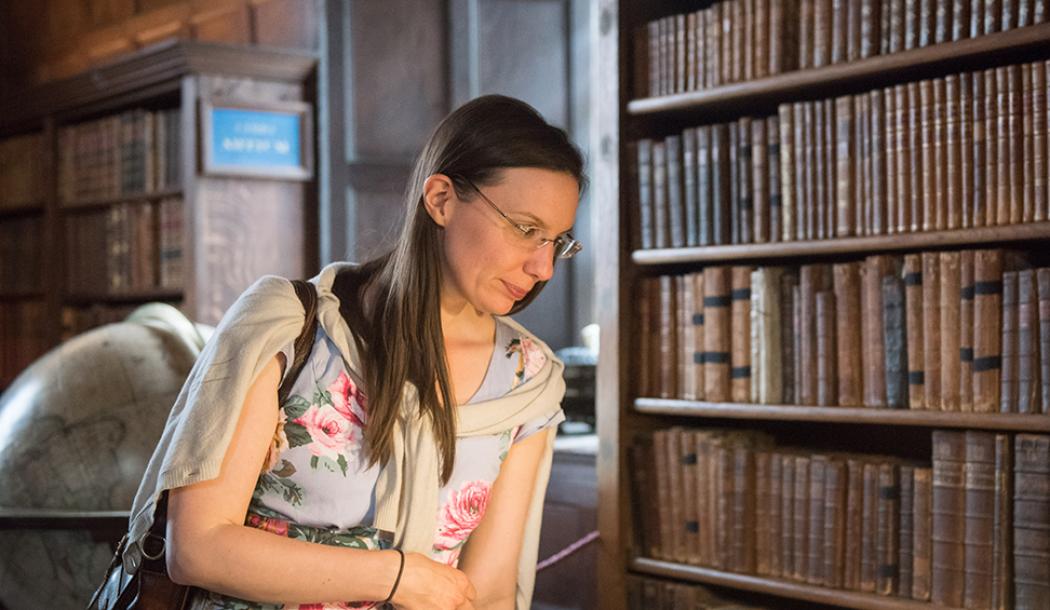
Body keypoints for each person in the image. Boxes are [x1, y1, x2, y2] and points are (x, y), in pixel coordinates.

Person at [122, 94, 587, 610]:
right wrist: (400, 578)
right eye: (526, 230)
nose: (543, 267)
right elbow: (199, 547)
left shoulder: (529, 379)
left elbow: (490, 592)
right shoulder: (288, 326)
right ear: (441, 199)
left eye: (557, 242)